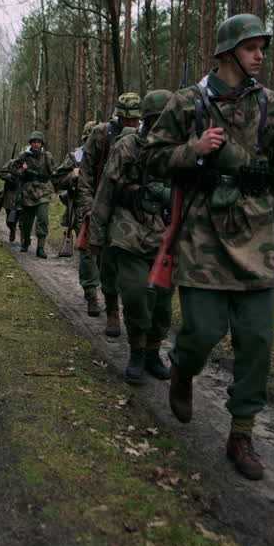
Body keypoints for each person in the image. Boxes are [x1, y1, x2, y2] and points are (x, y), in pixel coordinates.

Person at [144, 14, 274, 481]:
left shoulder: (270, 106)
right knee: (201, 331)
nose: (260, 54)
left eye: (262, 47)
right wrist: (193, 149)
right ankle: (182, 369)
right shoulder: (187, 103)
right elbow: (150, 158)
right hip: (202, 235)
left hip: (258, 235)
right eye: (251, 46)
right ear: (227, 52)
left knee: (257, 340)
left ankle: (241, 433)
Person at [88, 90, 176, 385]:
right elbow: (106, 192)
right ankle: (137, 351)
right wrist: (96, 233)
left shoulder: (181, 150)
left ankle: (153, 351)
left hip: (166, 232)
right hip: (129, 229)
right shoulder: (126, 147)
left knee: (163, 301)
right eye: (157, 119)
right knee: (137, 294)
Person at [76, 93, 141, 337]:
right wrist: (88, 208)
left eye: (136, 119)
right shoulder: (101, 134)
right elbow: (86, 174)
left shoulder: (143, 136)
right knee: (107, 265)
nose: (134, 124)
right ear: (120, 115)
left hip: (135, 210)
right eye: (129, 119)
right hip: (104, 208)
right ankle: (112, 311)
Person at [51, 121, 102, 316]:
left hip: (107, 212)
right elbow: (56, 180)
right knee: (88, 255)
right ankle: (91, 295)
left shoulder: (110, 154)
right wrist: (71, 177)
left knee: (106, 257)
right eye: (90, 139)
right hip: (82, 213)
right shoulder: (75, 157)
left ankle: (109, 295)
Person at [8, 131, 55, 258]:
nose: (36, 144)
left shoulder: (47, 156)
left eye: (38, 142)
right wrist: (22, 170)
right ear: (31, 143)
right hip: (28, 192)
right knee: (27, 222)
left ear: (42, 144)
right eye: (34, 142)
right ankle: (26, 241)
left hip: (43, 190)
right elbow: (12, 169)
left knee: (43, 219)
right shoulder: (23, 156)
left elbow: (54, 173)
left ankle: (41, 247)